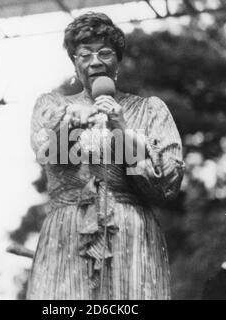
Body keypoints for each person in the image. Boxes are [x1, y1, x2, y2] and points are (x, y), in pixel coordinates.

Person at [27, 12, 185, 300]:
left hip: (130, 236)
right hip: (68, 233)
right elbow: (52, 158)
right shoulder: (53, 106)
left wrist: (122, 130)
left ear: (118, 61)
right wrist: (69, 127)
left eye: (104, 53)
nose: (95, 62)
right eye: (84, 55)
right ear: (75, 63)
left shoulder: (148, 109)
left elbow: (165, 186)